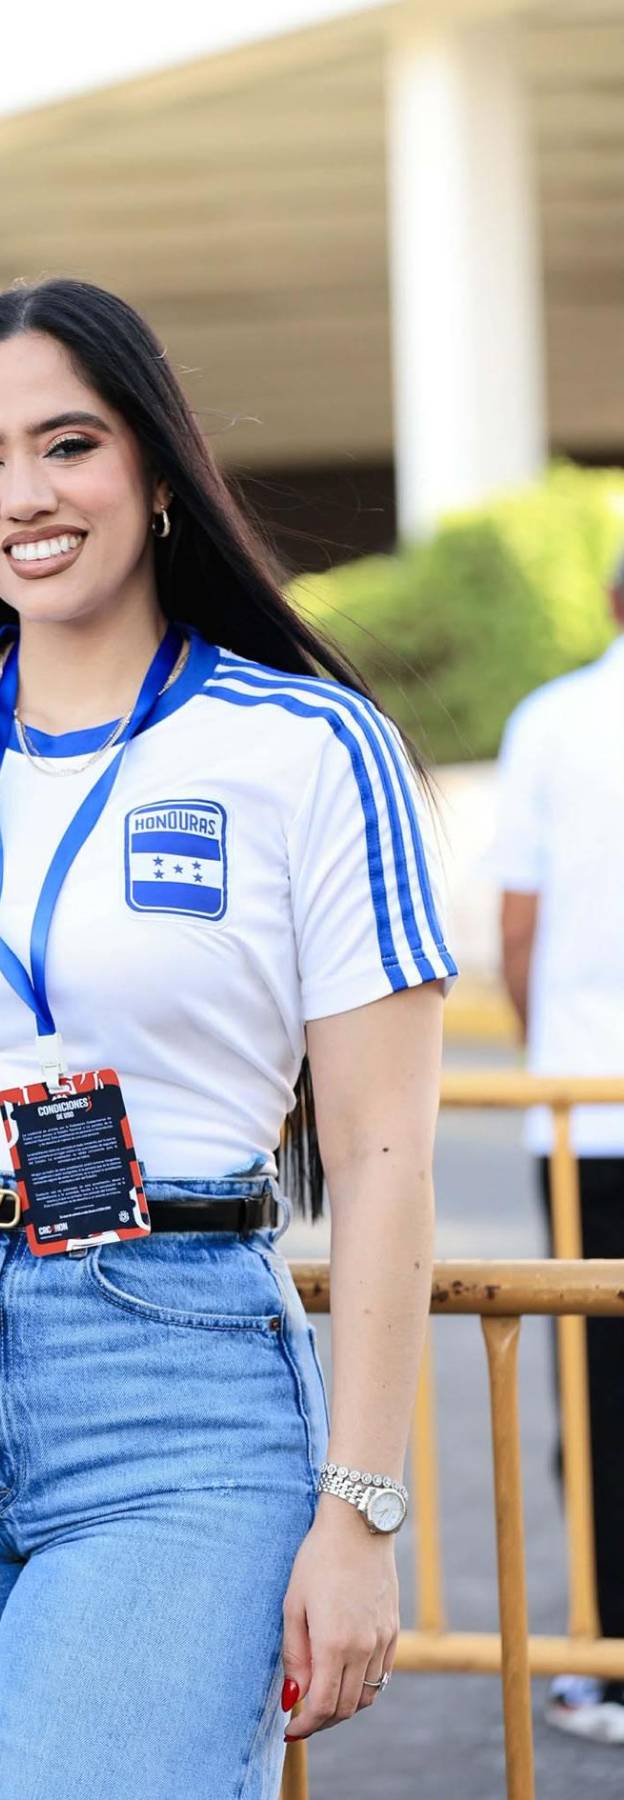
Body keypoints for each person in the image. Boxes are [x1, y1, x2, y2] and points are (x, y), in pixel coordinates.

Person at [0, 278, 457, 1798]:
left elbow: (384, 1156)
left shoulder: (311, 751)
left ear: (160, 472)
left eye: (69, 444)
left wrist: (360, 1513)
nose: (23, 496)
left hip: (169, 1382)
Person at [496, 548, 624, 1747]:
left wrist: (549, 1054)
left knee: (597, 1389)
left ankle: (604, 1656)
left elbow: (518, 930)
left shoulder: (555, 722)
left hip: (587, 1107)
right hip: (582, 1100)